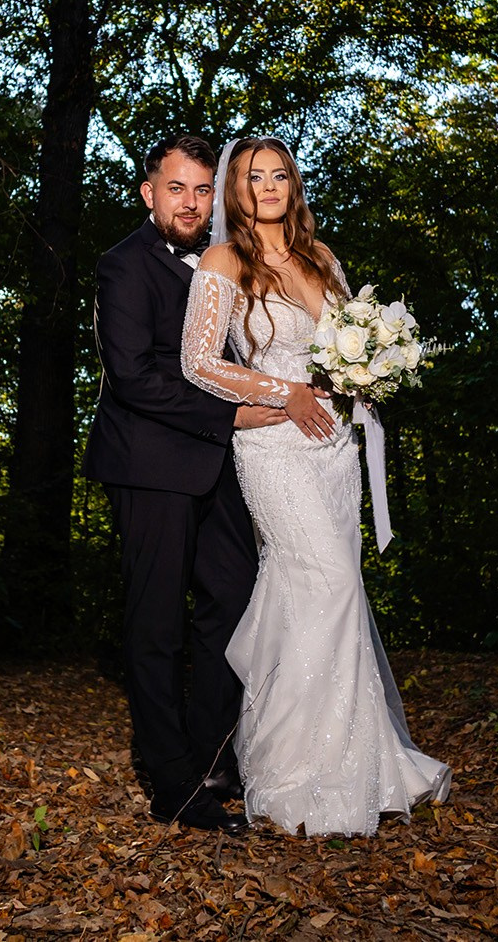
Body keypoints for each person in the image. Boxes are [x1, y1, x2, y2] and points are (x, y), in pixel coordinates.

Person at [181, 136, 451, 837]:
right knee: (324, 579)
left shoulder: (322, 256)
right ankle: (291, 769)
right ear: (236, 190)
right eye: (253, 177)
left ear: (292, 185)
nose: (268, 186)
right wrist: (285, 391)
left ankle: (358, 760)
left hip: (334, 447)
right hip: (274, 442)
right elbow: (197, 361)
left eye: (279, 175)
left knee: (334, 588)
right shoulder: (222, 260)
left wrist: (366, 373)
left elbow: (345, 342)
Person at [86, 133, 287, 834]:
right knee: (157, 624)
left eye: (202, 190)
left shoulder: (225, 260)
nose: (191, 203)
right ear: (150, 193)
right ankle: (172, 783)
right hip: (148, 465)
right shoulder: (122, 265)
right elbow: (134, 376)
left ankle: (210, 756)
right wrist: (231, 413)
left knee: (235, 596)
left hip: (214, 461)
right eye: (177, 188)